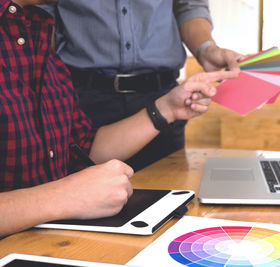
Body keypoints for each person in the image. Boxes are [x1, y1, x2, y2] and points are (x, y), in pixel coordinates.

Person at [0, 0, 238, 237]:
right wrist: (64, 196)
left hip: (45, 241)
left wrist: (167, 109)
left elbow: (83, 149)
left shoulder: (36, 37)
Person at [42, 1, 244, 171]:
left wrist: (206, 49)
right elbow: (42, 14)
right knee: (83, 202)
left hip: (163, 97)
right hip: (83, 97)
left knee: (168, 200)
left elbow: (189, 6)